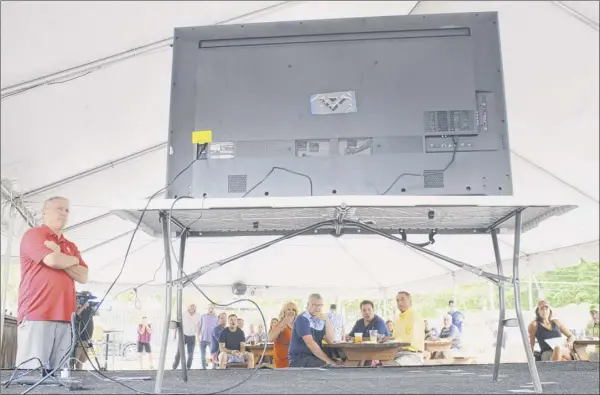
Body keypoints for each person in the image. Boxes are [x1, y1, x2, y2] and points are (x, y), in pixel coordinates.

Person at [16, 196, 89, 371]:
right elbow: (52, 260)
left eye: (67, 210)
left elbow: (83, 276)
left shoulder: (69, 244)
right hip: (37, 314)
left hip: (65, 317)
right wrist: (69, 260)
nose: (64, 213)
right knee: (31, 375)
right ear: (44, 213)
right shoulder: (34, 235)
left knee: (60, 376)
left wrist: (61, 255)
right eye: (59, 209)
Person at [288, 293, 340, 367]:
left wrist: (327, 320)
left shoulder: (320, 319)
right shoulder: (302, 319)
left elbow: (330, 340)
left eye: (320, 305)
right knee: (330, 368)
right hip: (300, 359)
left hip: (314, 357)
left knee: (340, 363)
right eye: (314, 305)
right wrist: (329, 361)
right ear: (308, 304)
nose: (317, 308)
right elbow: (310, 344)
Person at [392, 291, 425, 366]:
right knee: (377, 364)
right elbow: (395, 338)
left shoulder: (415, 316)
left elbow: (412, 338)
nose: (399, 302)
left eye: (402, 299)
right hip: (398, 353)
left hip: (413, 355)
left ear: (410, 301)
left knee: (390, 366)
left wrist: (393, 340)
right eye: (397, 300)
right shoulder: (398, 319)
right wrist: (388, 339)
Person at [268, 301, 298, 368]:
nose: (291, 311)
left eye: (293, 310)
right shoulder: (279, 324)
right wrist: (285, 321)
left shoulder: (297, 325)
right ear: (284, 312)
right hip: (282, 363)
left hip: (295, 361)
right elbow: (270, 338)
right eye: (288, 309)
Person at [173, 304, 201, 370]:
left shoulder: (198, 316)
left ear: (195, 308)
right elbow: (178, 324)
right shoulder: (183, 314)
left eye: (193, 307)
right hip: (183, 336)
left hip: (192, 337)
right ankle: (174, 367)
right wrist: (175, 334)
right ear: (188, 308)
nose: (192, 308)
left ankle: (188, 367)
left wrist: (198, 337)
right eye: (190, 306)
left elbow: (198, 327)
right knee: (179, 353)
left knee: (190, 354)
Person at [198, 304, 218, 369]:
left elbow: (217, 329)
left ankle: (214, 368)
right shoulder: (203, 316)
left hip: (212, 340)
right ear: (208, 308)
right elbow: (199, 327)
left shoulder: (216, 317)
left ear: (214, 309)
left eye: (212, 308)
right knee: (203, 355)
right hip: (202, 339)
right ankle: (204, 368)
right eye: (210, 308)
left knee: (213, 355)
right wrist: (198, 337)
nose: (211, 309)